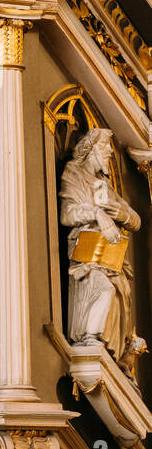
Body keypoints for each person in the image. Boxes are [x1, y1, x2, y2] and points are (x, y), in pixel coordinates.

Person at [60, 127, 144, 374]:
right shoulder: (72, 174)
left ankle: (112, 353)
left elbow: (137, 220)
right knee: (104, 289)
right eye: (106, 148)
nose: (109, 152)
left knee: (121, 295)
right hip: (87, 253)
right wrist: (96, 213)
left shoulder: (104, 184)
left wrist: (121, 214)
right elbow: (67, 214)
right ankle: (90, 339)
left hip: (111, 257)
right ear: (92, 149)